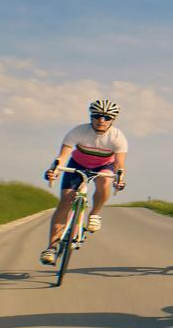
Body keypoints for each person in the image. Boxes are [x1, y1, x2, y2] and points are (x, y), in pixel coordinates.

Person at [41, 99, 128, 266]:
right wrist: (54, 169)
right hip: (77, 165)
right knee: (65, 201)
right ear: (91, 116)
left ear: (113, 119)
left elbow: (119, 164)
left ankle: (94, 214)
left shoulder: (118, 137)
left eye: (106, 117)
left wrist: (120, 178)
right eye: (96, 116)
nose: (101, 120)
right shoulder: (78, 131)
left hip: (104, 165)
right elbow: (63, 156)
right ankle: (51, 248)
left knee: (104, 181)